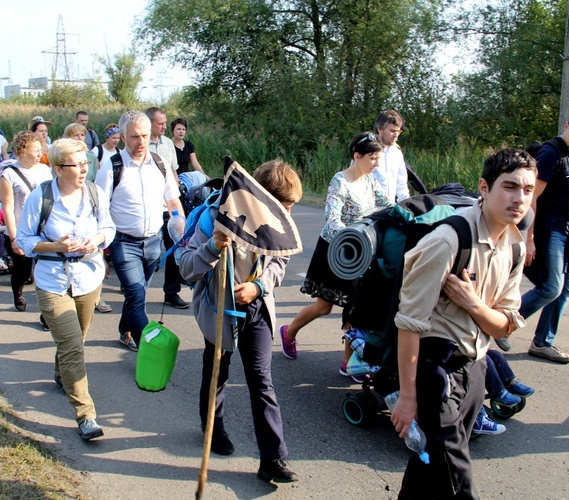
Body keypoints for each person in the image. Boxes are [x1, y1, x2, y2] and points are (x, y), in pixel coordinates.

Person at [389, 148, 535, 499]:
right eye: (510, 186)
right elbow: (409, 323)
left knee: (430, 467)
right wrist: (407, 398)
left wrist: (473, 304)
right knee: (457, 479)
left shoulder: (513, 246)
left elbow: (505, 326)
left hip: (476, 368)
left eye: (528, 190)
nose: (519, 198)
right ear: (484, 188)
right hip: (434, 372)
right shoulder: (448, 241)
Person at [180, 158, 302, 483]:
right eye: (284, 208)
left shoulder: (276, 228)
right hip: (219, 307)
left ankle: (272, 459)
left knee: (262, 381)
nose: (288, 216)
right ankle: (212, 427)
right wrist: (211, 247)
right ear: (262, 200)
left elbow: (280, 262)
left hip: (257, 309)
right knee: (217, 373)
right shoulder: (215, 220)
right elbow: (186, 267)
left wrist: (258, 286)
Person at [16, 138, 115, 441]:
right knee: (73, 346)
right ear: (58, 169)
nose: (85, 169)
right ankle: (86, 415)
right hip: (52, 280)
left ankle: (61, 374)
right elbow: (24, 240)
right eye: (77, 165)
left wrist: (96, 240)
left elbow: (108, 228)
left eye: (87, 163)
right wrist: (53, 246)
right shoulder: (41, 197)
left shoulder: (95, 194)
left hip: (88, 277)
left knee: (76, 341)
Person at [279, 132, 391, 377]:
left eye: (378, 159)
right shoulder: (339, 181)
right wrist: (352, 235)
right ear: (356, 156)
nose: (376, 164)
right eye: (372, 158)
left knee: (357, 308)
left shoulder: (371, 180)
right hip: (337, 252)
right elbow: (332, 221)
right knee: (323, 307)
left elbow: (389, 203)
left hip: (362, 253)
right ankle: (288, 332)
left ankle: (348, 362)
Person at [94, 111, 184, 351]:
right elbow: (100, 212)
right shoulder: (110, 169)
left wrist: (180, 229)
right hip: (123, 242)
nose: (141, 141)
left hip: (154, 242)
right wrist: (100, 252)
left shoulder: (159, 164)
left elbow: (174, 202)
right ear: (123, 136)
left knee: (138, 293)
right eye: (134, 136)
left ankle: (126, 330)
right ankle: (150, 344)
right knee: (135, 292)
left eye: (145, 135)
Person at [519, 109, 569, 364]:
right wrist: (529, 237)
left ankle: (543, 342)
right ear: (566, 125)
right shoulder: (550, 153)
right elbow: (532, 198)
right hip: (550, 227)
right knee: (551, 287)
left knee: (567, 287)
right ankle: (499, 323)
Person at [0, 131, 54, 313]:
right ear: (23, 151)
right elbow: (7, 207)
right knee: (22, 271)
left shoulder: (45, 171)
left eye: (41, 150)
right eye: (36, 150)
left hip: (44, 230)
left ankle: (46, 312)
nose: (40, 154)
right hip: (21, 230)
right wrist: (14, 238)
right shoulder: (9, 175)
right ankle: (18, 292)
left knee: (45, 272)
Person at [63, 122, 109, 313]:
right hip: (67, 207)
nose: (79, 138)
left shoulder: (92, 158)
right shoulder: (61, 162)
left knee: (95, 257)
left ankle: (97, 297)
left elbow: (96, 181)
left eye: (82, 135)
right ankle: (61, 301)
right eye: (75, 135)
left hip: (89, 204)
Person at [146, 107, 188, 309]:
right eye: (160, 123)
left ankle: (172, 292)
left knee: (175, 246)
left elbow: (173, 172)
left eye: (165, 122)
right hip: (147, 206)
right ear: (149, 124)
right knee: (148, 250)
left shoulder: (168, 143)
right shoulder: (141, 143)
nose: (164, 127)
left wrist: (179, 201)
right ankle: (136, 287)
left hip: (168, 205)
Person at [373, 110, 410, 203]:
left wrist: (407, 207)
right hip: (368, 212)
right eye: (392, 131)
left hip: (389, 210)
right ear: (380, 129)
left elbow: (401, 186)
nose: (396, 136)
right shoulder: (365, 152)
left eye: (398, 131)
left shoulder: (396, 153)